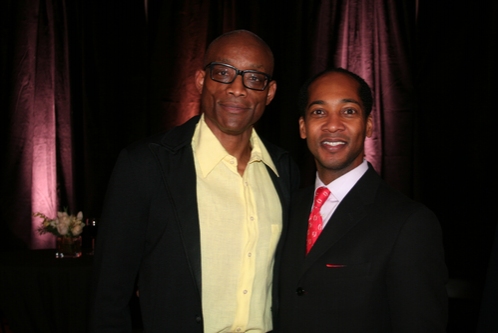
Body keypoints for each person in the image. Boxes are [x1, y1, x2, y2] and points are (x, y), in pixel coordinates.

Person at [89, 30, 299, 332]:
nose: (237, 89)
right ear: (202, 80)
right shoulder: (146, 165)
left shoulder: (283, 170)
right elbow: (109, 296)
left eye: (253, 78)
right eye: (223, 73)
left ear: (270, 92)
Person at [279, 68, 448, 332]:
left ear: (368, 125)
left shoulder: (409, 223)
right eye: (319, 112)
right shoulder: (285, 207)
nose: (332, 124)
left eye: (348, 111)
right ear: (303, 127)